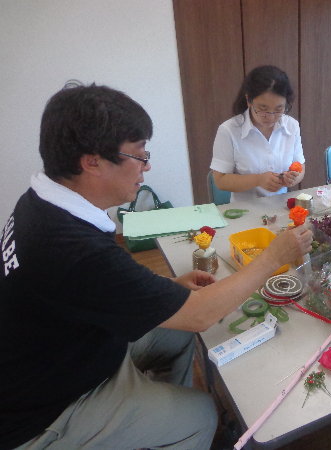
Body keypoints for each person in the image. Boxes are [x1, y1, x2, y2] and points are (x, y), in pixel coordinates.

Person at [0, 83, 313, 450]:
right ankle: (173, 429)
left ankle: (155, 428)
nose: (147, 166)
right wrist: (273, 258)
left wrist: (164, 292)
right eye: (138, 156)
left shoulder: (40, 203)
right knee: (201, 416)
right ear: (92, 161)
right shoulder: (72, 246)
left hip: (74, 352)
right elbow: (199, 315)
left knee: (179, 334)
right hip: (48, 411)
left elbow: (93, 289)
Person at [210, 65, 305, 202]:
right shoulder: (229, 130)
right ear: (249, 100)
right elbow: (220, 180)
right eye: (263, 109)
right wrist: (258, 180)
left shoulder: (291, 126)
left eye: (279, 109)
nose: (271, 117)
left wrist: (292, 178)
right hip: (245, 209)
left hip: (282, 206)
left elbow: (300, 166)